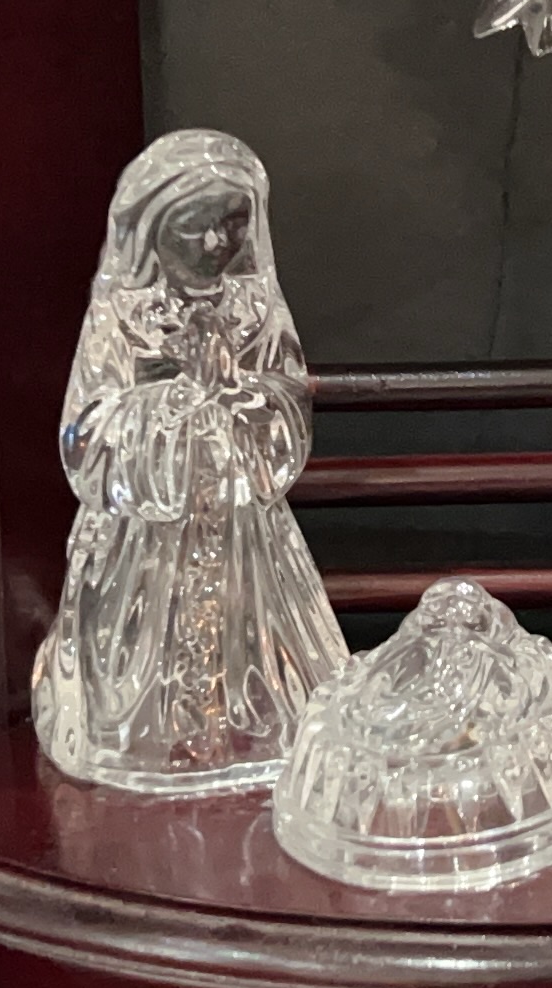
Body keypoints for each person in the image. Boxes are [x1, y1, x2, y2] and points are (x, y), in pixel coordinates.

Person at [31, 130, 345, 794]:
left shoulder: (254, 311)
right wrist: (172, 400)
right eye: (193, 227)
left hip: (240, 530)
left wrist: (237, 392)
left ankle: (248, 727)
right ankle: (138, 731)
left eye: (231, 225)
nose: (214, 244)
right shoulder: (123, 317)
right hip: (146, 538)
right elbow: (87, 437)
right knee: (135, 656)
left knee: (261, 661)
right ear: (151, 230)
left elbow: (288, 410)